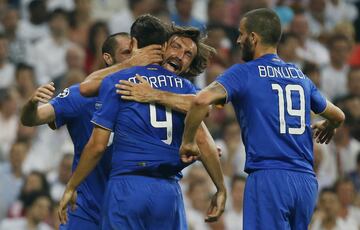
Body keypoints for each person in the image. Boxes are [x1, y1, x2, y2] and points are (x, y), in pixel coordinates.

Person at [179, 8, 345, 229]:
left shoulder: (244, 72)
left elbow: (200, 101)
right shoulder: (299, 76)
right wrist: (330, 125)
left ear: (253, 38)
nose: (237, 40)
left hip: (269, 177)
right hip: (305, 182)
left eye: (241, 34)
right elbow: (338, 115)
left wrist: (188, 141)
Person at [58, 15, 226, 229]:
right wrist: (220, 188)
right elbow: (204, 136)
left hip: (127, 188)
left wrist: (72, 186)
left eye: (188, 55)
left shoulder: (122, 80)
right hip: (168, 194)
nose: (180, 56)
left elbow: (97, 144)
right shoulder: (186, 92)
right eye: (176, 47)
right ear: (162, 47)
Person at [20, 32, 162, 229]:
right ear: (108, 58)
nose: (134, 58)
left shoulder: (149, 96)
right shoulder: (81, 95)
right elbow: (31, 119)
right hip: (86, 208)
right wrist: (31, 103)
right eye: (127, 53)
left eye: (136, 53)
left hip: (130, 207)